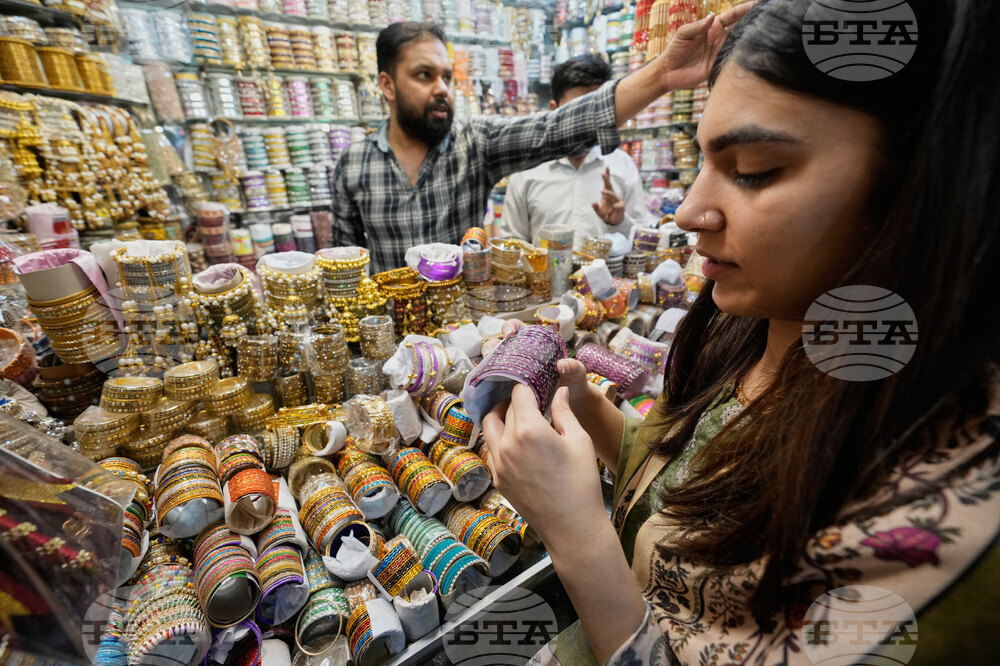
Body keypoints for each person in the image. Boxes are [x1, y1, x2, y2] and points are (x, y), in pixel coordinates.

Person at [483, 1, 1000, 664]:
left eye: (753, 170)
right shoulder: (752, 326)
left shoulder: (947, 516)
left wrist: (575, 534)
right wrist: (597, 424)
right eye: (702, 162)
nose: (693, 211)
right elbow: (698, 467)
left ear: (923, 183)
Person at [331, 20, 738, 272]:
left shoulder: (475, 143)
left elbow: (557, 127)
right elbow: (341, 263)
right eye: (424, 75)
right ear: (387, 85)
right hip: (385, 338)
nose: (441, 89)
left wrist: (663, 74)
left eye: (446, 77)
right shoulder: (354, 164)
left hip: (461, 334)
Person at [496, 55, 656, 250]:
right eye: (578, 112)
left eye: (596, 111)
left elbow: (644, 244)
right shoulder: (527, 170)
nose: (588, 122)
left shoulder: (622, 166)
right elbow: (511, 246)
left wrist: (619, 222)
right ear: (554, 109)